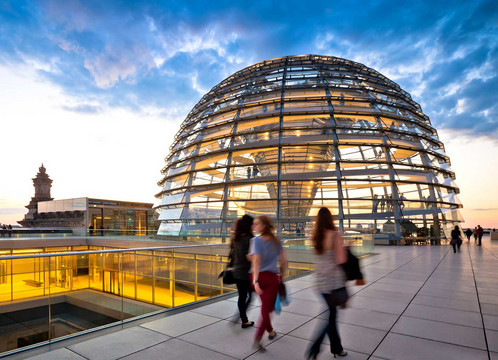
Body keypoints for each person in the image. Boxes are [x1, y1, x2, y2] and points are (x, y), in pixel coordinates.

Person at [306, 207, 348, 359]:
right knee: (330, 317)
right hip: (333, 283)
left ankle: (337, 348)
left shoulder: (315, 236)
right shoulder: (335, 235)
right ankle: (315, 348)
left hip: (319, 282)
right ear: (331, 219)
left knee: (331, 315)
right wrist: (345, 248)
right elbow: (341, 259)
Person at [250, 215, 287, 351]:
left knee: (265, 308)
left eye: (256, 224)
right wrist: (281, 276)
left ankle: (270, 331)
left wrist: (255, 281)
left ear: (264, 226)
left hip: (257, 277)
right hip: (271, 278)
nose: (254, 226)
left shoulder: (256, 241)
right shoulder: (277, 241)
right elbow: (284, 261)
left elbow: (256, 261)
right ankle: (258, 338)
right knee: (267, 309)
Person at [230, 215, 255, 328]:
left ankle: (243, 320)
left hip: (236, 271)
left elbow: (231, 254)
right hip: (246, 272)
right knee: (251, 295)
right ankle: (241, 317)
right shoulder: (249, 239)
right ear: (249, 225)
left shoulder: (235, 238)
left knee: (242, 296)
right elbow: (249, 256)